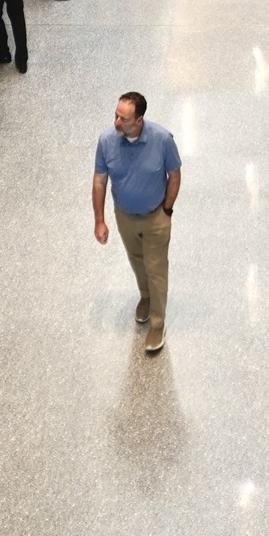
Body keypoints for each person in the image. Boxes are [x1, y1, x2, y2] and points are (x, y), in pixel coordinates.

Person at [93, 90, 181, 356]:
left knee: (156, 268)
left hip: (155, 217)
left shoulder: (162, 140)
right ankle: (145, 296)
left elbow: (174, 174)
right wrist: (100, 220)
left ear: (140, 119)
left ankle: (157, 323)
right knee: (136, 261)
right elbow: (99, 181)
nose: (117, 122)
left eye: (124, 119)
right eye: (116, 115)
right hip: (125, 216)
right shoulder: (106, 141)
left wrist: (167, 209)